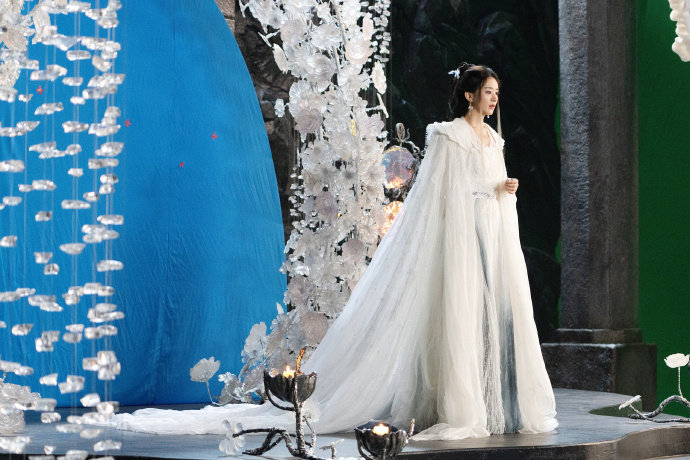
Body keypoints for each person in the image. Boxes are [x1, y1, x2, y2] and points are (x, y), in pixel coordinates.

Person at [111, 63, 558, 441]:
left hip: (489, 235)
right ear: (469, 94)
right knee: (457, 313)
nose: (494, 99)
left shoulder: (493, 140)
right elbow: (437, 192)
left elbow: (489, 184)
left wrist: (504, 189)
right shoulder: (448, 135)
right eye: (488, 92)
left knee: (491, 313)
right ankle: (454, 403)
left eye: (496, 93)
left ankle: (495, 400)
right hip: (459, 237)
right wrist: (482, 194)